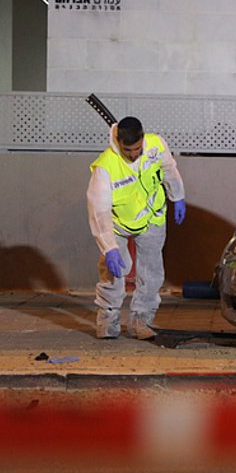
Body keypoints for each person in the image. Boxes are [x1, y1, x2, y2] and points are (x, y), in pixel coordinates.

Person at [86, 116, 186, 339]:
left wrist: (177, 195)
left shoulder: (156, 145)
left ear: (143, 138)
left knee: (151, 272)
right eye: (127, 150)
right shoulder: (105, 167)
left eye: (137, 148)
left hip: (152, 216)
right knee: (113, 273)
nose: (133, 154)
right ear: (118, 141)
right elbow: (99, 211)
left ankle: (142, 320)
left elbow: (169, 169)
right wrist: (109, 247)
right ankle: (108, 321)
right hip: (117, 224)